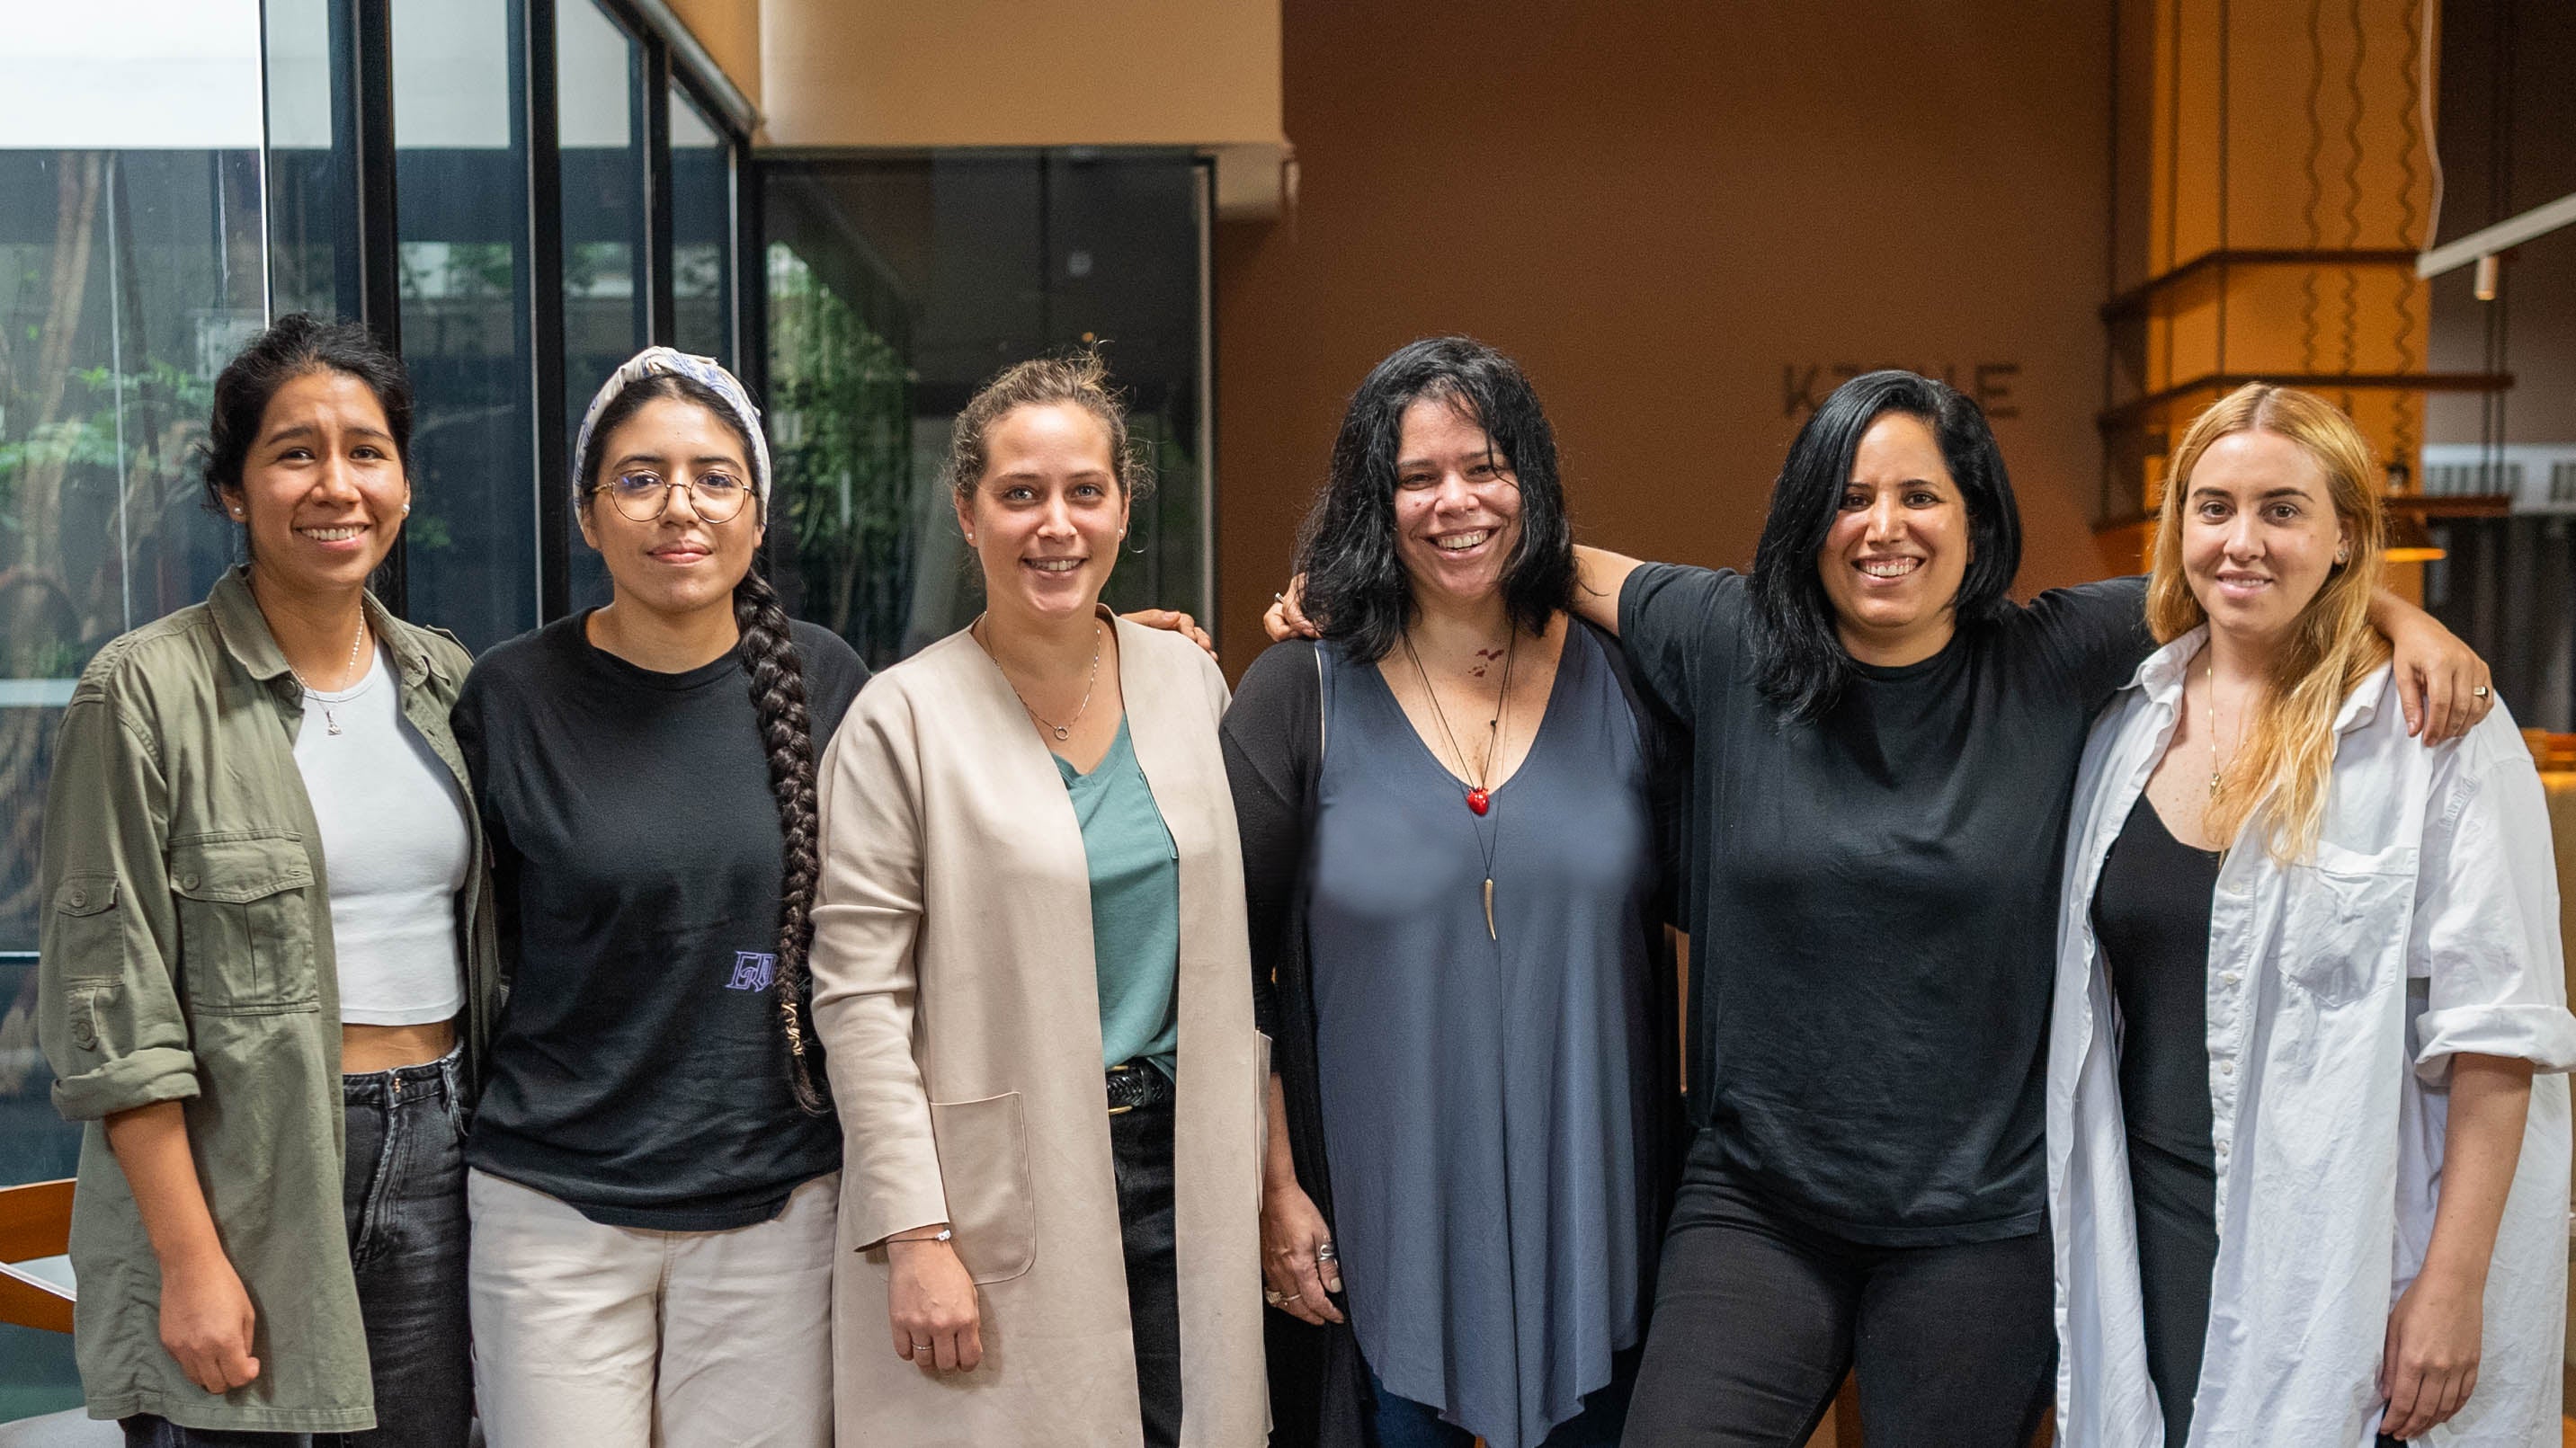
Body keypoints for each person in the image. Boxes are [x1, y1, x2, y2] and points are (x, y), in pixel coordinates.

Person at [1268, 368, 2492, 1445]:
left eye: (1920, 496)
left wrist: (2394, 609)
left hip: (1980, 1222)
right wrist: (1354, 580)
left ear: (1975, 519)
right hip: (1758, 1203)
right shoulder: (1733, 640)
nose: (1883, 527)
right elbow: (1543, 550)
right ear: (1809, 523)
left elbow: (2238, 578)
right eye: (1850, 497)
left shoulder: (2054, 656)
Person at [2047, 384, 2574, 1447]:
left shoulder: (2434, 732)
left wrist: (2453, 1284)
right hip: (2152, 1226)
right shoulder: (2119, 720)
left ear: (2345, 537)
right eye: (2214, 507)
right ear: (2178, 527)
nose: (2242, 541)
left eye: (2283, 510)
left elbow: (2498, 1035)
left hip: (2349, 1246)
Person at [36, 313, 495, 1445]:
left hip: (445, 1141)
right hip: (243, 1164)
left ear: (402, 480)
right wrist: (190, 1263)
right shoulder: (141, 692)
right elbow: (113, 1006)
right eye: (294, 452)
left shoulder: (447, 679)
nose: (335, 484)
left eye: (366, 450)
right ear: (234, 490)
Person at [1220, 337, 1682, 1448]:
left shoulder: (1630, 679)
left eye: (1484, 466)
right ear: (1371, 503)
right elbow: (1220, 961)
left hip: (1603, 1217)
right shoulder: (1300, 690)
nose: (1453, 502)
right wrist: (1275, 1189)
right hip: (1380, 1226)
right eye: (1415, 477)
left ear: (1532, 478)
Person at [808, 351, 1268, 1448]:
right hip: (1003, 1173)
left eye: (1083, 492)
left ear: (1121, 506)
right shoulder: (898, 720)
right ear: (967, 514)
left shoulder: (1188, 679)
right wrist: (913, 1232)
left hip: (1187, 1148)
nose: (1054, 525)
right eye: (1019, 495)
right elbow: (858, 1002)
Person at [452, 348, 864, 1446]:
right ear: (588, 516)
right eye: (638, 478)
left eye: (714, 476)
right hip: (552, 1210)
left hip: (775, 1204)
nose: (678, 506)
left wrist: (1122, 646)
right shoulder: (510, 694)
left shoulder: (830, 683)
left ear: (758, 513)